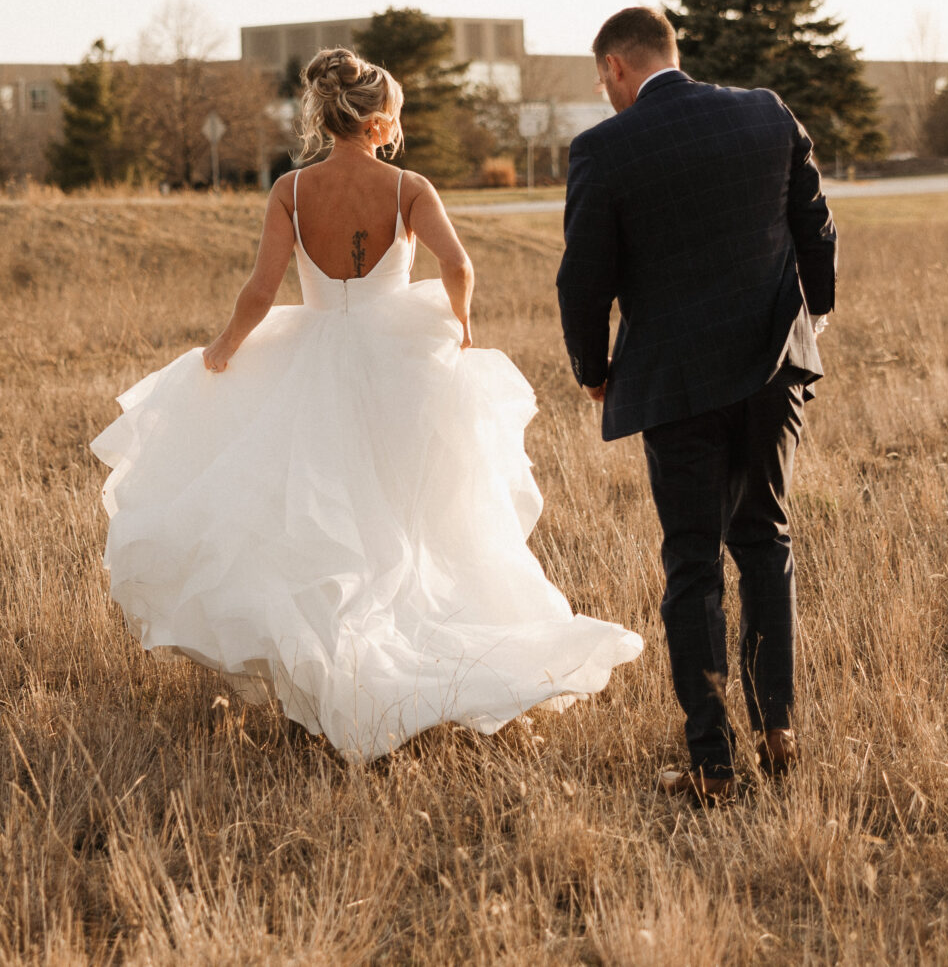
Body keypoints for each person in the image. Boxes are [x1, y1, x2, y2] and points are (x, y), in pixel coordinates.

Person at [93, 47, 642, 761]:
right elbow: (459, 264)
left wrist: (225, 346)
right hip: (398, 365)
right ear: (381, 121)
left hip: (313, 362)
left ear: (325, 115)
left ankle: (330, 669)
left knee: (324, 520)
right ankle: (417, 651)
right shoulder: (408, 186)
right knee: (413, 519)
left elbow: (262, 290)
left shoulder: (290, 190)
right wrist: (461, 322)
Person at [556, 6, 837, 803]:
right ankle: (778, 727)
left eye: (600, 78)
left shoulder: (604, 148)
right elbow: (816, 227)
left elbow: (584, 278)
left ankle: (713, 762)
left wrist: (593, 366)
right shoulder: (765, 111)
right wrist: (806, 322)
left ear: (615, 66)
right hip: (775, 368)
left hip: (677, 384)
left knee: (692, 561)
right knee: (766, 538)